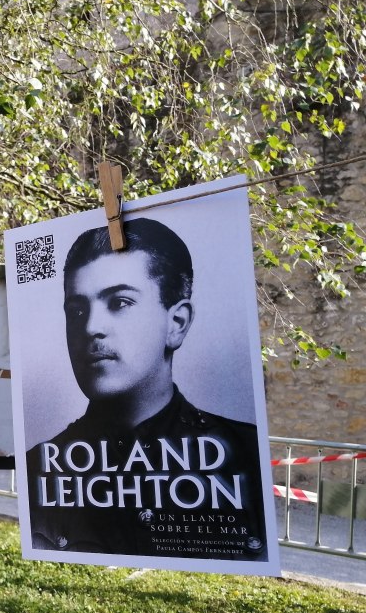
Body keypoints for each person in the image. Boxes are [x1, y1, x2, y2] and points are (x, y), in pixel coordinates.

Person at [24, 217, 267, 560]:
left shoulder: (244, 453)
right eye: (77, 311)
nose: (92, 327)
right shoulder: (39, 466)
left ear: (176, 324)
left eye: (120, 302)